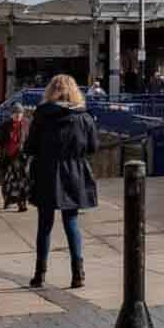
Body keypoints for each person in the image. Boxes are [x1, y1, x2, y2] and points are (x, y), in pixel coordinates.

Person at [23, 74, 101, 290]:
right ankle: (78, 274)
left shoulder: (42, 115)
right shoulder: (83, 117)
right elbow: (93, 146)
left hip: (47, 170)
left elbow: (30, 146)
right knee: (71, 221)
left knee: (44, 224)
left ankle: (40, 274)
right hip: (74, 171)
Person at [0, 105, 33, 213]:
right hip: (7, 156)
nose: (18, 115)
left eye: (20, 113)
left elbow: (30, 139)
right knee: (7, 180)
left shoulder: (26, 124)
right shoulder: (5, 125)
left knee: (21, 180)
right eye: (16, 113)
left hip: (20, 156)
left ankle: (22, 203)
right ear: (11, 114)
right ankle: (8, 199)